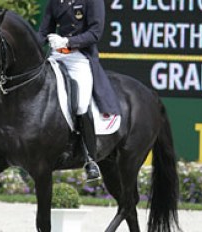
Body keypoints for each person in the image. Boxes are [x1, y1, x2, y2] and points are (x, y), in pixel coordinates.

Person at [38, 0, 121, 181]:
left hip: (79, 58)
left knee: (82, 105)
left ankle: (90, 159)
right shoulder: (55, 2)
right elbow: (44, 31)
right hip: (56, 56)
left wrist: (68, 41)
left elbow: (95, 33)